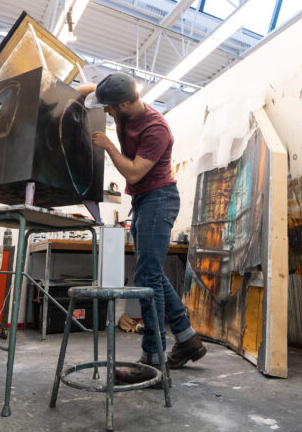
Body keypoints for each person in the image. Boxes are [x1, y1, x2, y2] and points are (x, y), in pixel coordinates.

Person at [77, 73, 206, 385]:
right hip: (145, 200)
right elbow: (89, 90)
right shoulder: (120, 98)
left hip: (159, 199)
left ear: (123, 104)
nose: (105, 112)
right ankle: (187, 338)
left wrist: (108, 145)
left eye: (109, 109)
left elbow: (134, 173)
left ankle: (153, 361)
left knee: (147, 277)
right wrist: (64, 97)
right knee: (154, 274)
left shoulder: (156, 128)